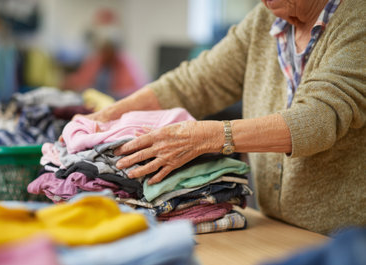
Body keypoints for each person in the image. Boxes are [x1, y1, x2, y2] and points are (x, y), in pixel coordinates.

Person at [76, 0, 365, 235]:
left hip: (349, 240)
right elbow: (192, 83)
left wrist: (209, 138)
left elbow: (317, 119)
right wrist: (99, 121)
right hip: (274, 229)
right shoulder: (263, 22)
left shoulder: (358, 21)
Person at [63, 8, 147, 99]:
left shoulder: (127, 64)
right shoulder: (96, 60)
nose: (104, 52)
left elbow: (134, 91)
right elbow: (77, 82)